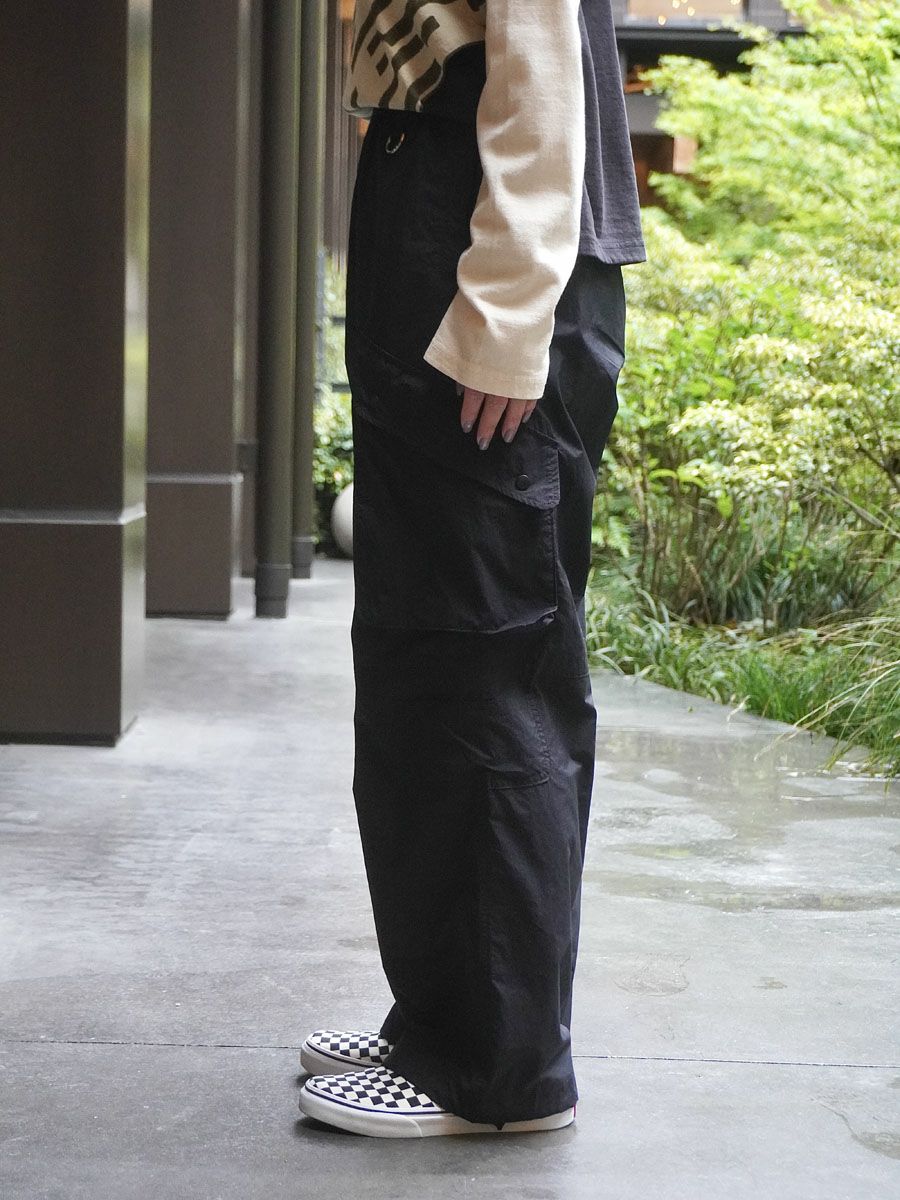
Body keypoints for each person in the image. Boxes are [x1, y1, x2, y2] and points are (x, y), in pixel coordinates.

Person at [298, 0, 645, 1138]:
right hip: (450, 217)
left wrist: (504, 305)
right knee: (427, 659)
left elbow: (538, 59)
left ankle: (493, 1068)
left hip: (485, 239)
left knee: (484, 662)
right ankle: (443, 1019)